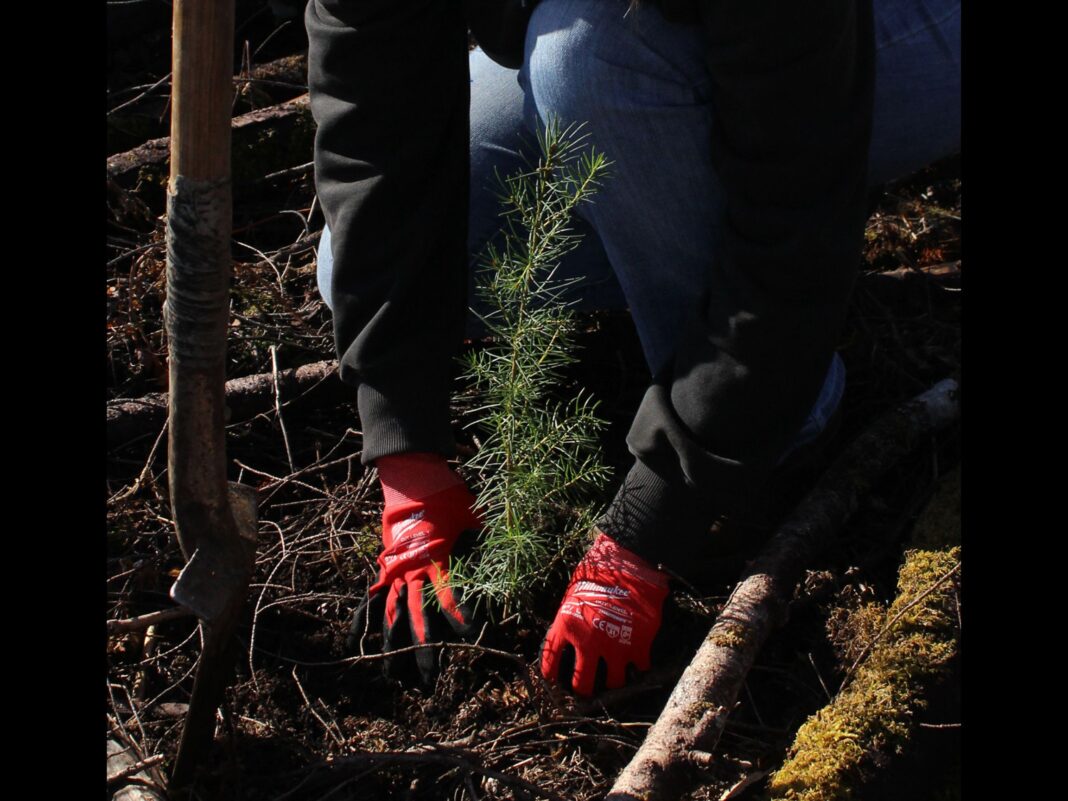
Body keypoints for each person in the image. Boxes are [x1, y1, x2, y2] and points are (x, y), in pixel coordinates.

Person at [305, 0, 961, 695]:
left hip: (901, 28)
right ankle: (680, 217)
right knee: (381, 260)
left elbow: (795, 211)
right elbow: (373, 115)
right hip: (661, 36)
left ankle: (786, 412)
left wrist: (659, 516)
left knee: (592, 69)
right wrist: (406, 452)